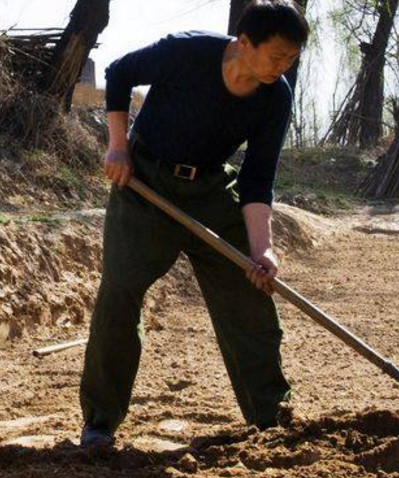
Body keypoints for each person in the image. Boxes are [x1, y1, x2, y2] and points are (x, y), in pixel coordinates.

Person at [78, 0, 310, 447]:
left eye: (292, 59)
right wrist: (117, 146)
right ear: (245, 43)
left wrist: (262, 250)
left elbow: (259, 175)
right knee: (120, 291)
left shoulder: (275, 95)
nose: (283, 66)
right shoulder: (188, 53)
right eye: (277, 55)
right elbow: (121, 72)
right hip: (145, 182)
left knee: (249, 294)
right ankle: (100, 421)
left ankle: (271, 417)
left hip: (210, 191)